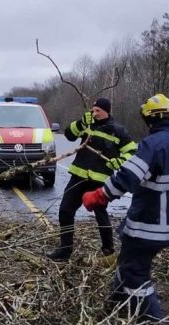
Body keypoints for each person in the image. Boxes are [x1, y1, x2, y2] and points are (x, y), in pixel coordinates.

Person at [82, 93, 169, 325]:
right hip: (165, 229)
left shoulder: (152, 145)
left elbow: (127, 176)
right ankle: (116, 303)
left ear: (148, 119)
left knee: (135, 274)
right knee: (127, 262)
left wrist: (98, 196)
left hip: (144, 227)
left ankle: (152, 322)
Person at [46, 98, 137, 261]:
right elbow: (69, 134)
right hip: (78, 177)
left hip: (99, 181)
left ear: (106, 111)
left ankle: (108, 251)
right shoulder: (87, 124)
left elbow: (132, 152)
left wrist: (119, 161)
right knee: (65, 210)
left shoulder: (118, 131)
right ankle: (65, 250)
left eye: (98, 111)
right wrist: (81, 122)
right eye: (93, 110)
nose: (94, 113)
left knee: (101, 215)